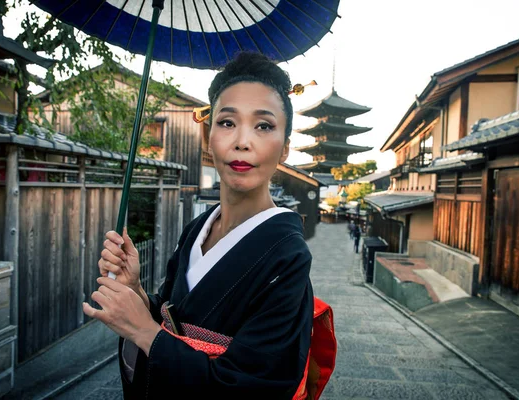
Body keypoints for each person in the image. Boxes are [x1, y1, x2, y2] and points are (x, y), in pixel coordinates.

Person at [83, 52, 333, 399]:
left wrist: (144, 333)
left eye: (263, 126)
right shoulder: (197, 229)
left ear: (286, 148)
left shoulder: (287, 259)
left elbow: (255, 388)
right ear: (208, 136)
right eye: (227, 122)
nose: (242, 141)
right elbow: (175, 319)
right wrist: (136, 292)